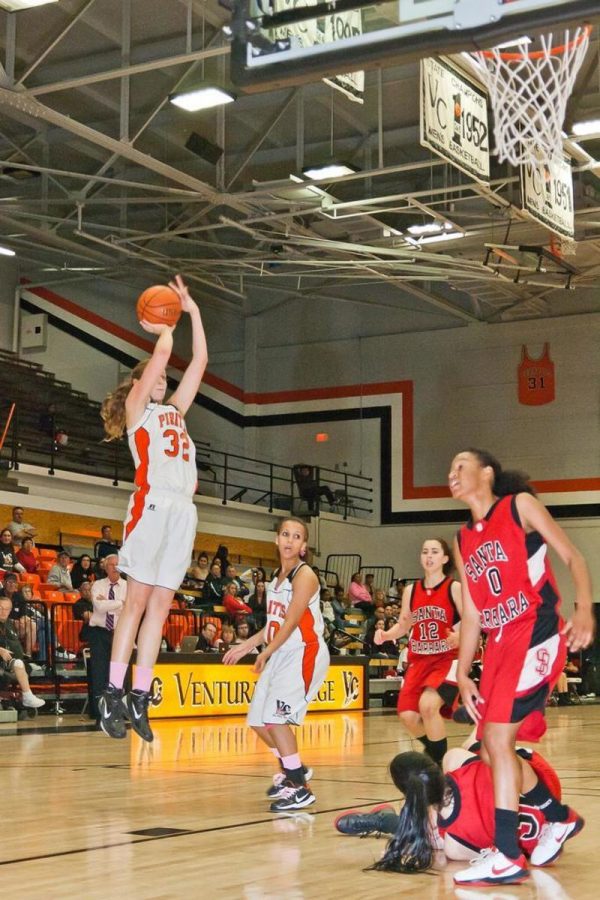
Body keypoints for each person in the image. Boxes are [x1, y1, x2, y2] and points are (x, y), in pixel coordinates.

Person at [448, 447, 594, 886]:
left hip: (536, 629)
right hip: (499, 644)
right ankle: (558, 816)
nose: (451, 474)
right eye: (450, 469)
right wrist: (461, 672)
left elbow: (574, 558)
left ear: (487, 472)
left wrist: (585, 608)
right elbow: (472, 615)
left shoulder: (519, 507)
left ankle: (507, 855)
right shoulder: (461, 538)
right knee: (494, 748)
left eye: (460, 466)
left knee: (496, 737)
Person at [98, 274, 208, 744]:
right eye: (157, 376)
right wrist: (162, 324)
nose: (164, 379)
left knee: (161, 606)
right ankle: (111, 691)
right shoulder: (139, 411)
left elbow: (199, 361)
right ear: (141, 382)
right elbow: (163, 355)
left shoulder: (176, 413)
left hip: (184, 511)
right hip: (153, 505)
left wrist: (193, 312)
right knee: (137, 602)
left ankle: (140, 695)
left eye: (165, 378)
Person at [334, 746, 584, 876]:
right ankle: (394, 820)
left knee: (431, 838)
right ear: (433, 767)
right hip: (545, 782)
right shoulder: (454, 760)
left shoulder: (454, 843)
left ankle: (388, 821)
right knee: (475, 750)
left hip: (530, 838)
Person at [223, 517, 329, 812]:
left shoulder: (304, 575)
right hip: (281, 651)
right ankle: (293, 769)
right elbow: (274, 624)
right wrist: (248, 645)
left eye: (296, 536)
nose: (290, 540)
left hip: (303, 652)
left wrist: (266, 652)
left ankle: (299, 787)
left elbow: (293, 621)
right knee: (258, 719)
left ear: (304, 547)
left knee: (276, 718)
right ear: (276, 539)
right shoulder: (275, 579)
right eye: (285, 534)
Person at [374, 538, 462, 765]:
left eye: (434, 552)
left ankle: (437, 762)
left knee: (428, 706)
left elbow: (473, 621)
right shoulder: (411, 591)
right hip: (419, 660)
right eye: (425, 552)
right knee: (407, 715)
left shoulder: (454, 588)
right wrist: (386, 635)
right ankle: (434, 751)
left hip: (447, 659)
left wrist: (459, 637)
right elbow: (404, 625)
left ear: (444, 559)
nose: (429, 556)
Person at [88, 554, 126, 723]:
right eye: (112, 564)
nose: (115, 567)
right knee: (99, 672)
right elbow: (99, 606)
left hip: (119, 632)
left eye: (118, 565)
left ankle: (116, 711)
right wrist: (120, 602)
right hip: (100, 633)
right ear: (106, 567)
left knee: (118, 673)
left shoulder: (127, 586)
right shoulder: (97, 584)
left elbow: (129, 607)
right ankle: (99, 713)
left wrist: (110, 602)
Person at [0, 597, 45, 708]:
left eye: (6, 609)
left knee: (20, 664)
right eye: (0, 608)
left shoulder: (8, 624)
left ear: (10, 610)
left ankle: (27, 696)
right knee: (18, 664)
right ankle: (27, 696)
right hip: (3, 663)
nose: (3, 611)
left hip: (10, 663)